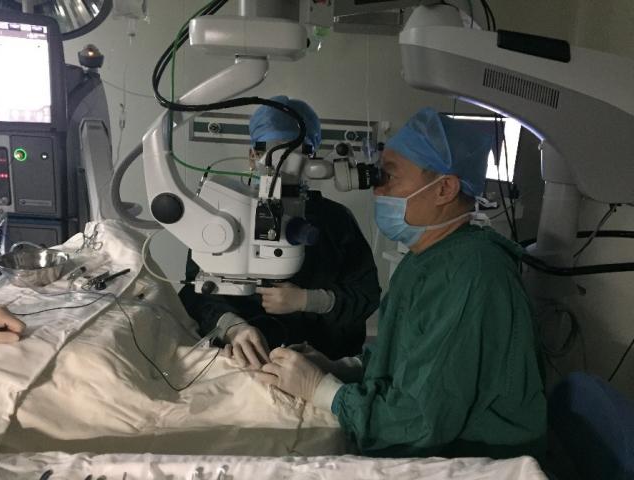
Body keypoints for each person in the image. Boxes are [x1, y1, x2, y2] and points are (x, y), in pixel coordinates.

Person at [257, 107, 547, 460]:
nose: (377, 189)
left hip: (472, 455)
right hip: (432, 435)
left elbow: (420, 420)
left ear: (444, 188)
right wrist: (339, 369)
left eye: (389, 175)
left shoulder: (473, 274)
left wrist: (323, 391)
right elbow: (402, 359)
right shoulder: (425, 258)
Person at [179, 96, 381, 368]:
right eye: (275, 153)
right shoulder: (223, 217)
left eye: (298, 155)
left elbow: (366, 295)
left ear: (312, 160)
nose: (285, 166)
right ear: (252, 156)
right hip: (244, 360)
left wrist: (311, 300)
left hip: (322, 361)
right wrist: (232, 327)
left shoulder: (336, 222)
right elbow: (196, 291)